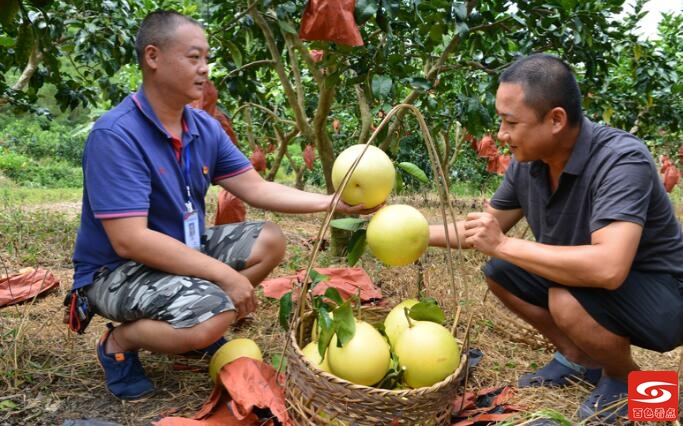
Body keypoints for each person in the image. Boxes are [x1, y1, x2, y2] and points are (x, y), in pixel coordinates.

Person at [69, 10, 369, 401]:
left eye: (206, 59)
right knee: (217, 310)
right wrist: (225, 278)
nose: (204, 69)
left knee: (269, 240)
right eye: (193, 58)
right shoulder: (117, 135)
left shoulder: (201, 127)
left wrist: (331, 203)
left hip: (177, 251)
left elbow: (256, 188)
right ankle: (120, 342)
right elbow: (130, 241)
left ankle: (192, 323)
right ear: (153, 57)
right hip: (115, 271)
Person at [430, 53, 683, 423]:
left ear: (556, 120)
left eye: (511, 122)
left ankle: (634, 384)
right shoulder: (527, 163)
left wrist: (503, 243)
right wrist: (404, 230)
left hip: (665, 298)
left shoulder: (621, 160)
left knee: (562, 295)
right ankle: (582, 361)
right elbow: (478, 230)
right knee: (501, 271)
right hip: (598, 285)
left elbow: (609, 267)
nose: (501, 135)